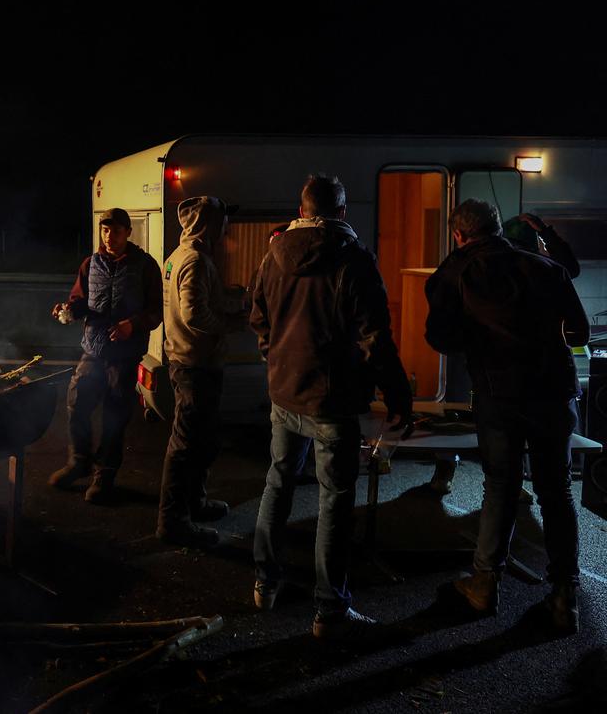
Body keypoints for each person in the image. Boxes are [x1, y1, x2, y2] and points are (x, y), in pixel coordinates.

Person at [249, 174, 413, 641]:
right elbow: (375, 337)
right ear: (341, 212)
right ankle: (329, 610)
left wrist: (273, 355)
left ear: (302, 210)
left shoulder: (273, 254)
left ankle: (265, 584)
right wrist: (398, 395)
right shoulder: (354, 259)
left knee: (278, 481)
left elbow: (257, 316)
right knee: (334, 499)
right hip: (333, 401)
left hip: (284, 392)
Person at [427, 199, 589, 633]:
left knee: (501, 486)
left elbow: (439, 337)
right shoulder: (544, 268)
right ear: (498, 228)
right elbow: (579, 332)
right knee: (556, 491)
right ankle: (565, 597)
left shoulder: (458, 272)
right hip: (554, 394)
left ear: (460, 236)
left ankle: (484, 586)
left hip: (499, 396)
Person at [49, 207, 163, 504]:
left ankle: (105, 477)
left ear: (128, 232)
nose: (109, 236)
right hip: (93, 351)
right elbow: (80, 301)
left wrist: (132, 325)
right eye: (105, 230)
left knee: (114, 417)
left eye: (115, 230)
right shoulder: (91, 264)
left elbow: (156, 312)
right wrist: (69, 310)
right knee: (76, 403)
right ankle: (79, 462)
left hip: (124, 356)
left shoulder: (145, 265)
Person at [155, 196, 248, 547]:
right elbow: (194, 315)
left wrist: (231, 299)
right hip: (195, 365)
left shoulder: (179, 257)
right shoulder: (194, 260)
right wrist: (231, 324)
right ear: (208, 224)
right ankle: (173, 521)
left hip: (189, 362)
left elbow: (196, 302)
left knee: (202, 440)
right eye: (223, 221)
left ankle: (194, 501)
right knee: (186, 443)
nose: (227, 228)